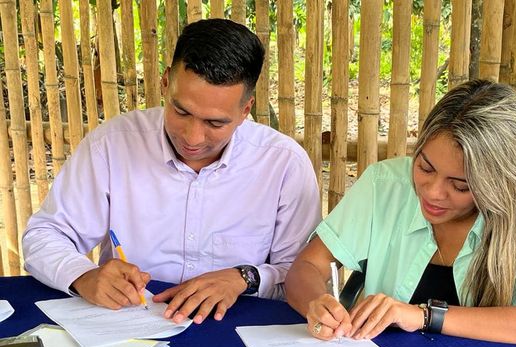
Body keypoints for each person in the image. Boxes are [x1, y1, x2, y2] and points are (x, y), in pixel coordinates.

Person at [23, 19, 321, 325]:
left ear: (245, 110)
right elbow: (45, 235)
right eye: (181, 111)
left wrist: (244, 278)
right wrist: (83, 275)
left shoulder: (283, 164)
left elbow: (304, 272)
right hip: (129, 322)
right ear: (166, 83)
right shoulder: (112, 145)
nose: (193, 138)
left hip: (238, 325)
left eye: (215, 123)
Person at [285, 79, 516, 347]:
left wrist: (423, 315)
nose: (432, 192)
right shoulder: (385, 185)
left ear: (498, 184)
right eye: (425, 167)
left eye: (460, 185)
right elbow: (307, 266)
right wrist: (317, 303)